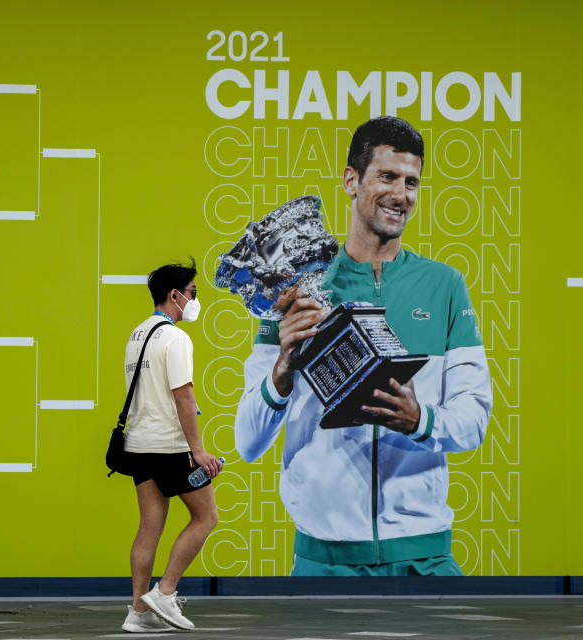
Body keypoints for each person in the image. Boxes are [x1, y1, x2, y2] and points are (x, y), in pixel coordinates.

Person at [234, 116, 492, 576]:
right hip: (323, 560)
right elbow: (248, 444)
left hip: (424, 555)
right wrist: (282, 370)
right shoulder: (296, 290)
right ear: (351, 181)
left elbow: (474, 422)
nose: (401, 194)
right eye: (388, 176)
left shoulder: (445, 286)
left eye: (412, 182)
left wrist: (421, 421)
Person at [121, 260, 222, 632]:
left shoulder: (137, 334)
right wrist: (198, 451)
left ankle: (138, 612)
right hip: (170, 446)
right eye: (193, 293)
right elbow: (183, 395)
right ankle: (164, 593)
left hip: (139, 444)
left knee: (150, 526)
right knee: (206, 517)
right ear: (174, 295)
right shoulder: (176, 338)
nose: (195, 300)